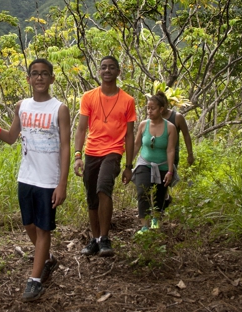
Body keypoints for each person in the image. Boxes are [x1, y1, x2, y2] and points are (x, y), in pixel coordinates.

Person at [0, 59, 70, 302]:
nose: (39, 78)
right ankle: (47, 260)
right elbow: (10, 137)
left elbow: (66, 147)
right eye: (35, 74)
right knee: (28, 224)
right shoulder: (22, 106)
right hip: (26, 177)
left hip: (48, 180)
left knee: (43, 228)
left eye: (44, 74)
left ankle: (35, 280)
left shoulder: (59, 108)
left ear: (52, 79)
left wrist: (62, 184)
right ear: (28, 79)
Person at [74, 56, 136, 257]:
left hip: (114, 151)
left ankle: (104, 238)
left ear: (118, 72)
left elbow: (130, 134)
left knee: (103, 188)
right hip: (91, 151)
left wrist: (128, 165)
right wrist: (77, 156)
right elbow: (81, 128)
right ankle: (94, 239)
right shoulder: (89, 97)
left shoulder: (128, 100)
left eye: (111, 67)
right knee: (92, 196)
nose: (107, 70)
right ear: (99, 72)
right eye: (103, 67)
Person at [132, 92, 177, 233]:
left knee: (159, 195)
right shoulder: (143, 125)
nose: (149, 111)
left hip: (162, 165)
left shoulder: (170, 128)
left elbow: (170, 150)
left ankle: (155, 220)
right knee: (142, 192)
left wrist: (170, 171)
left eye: (153, 108)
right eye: (148, 108)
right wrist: (128, 165)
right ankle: (144, 226)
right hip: (144, 163)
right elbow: (136, 145)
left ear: (161, 109)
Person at [160, 91, 194, 208]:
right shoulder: (153, 116)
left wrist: (190, 154)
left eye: (163, 105)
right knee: (155, 182)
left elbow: (186, 135)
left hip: (171, 154)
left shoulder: (177, 117)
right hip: (156, 154)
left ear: (167, 104)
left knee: (165, 182)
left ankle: (161, 206)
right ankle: (163, 201)